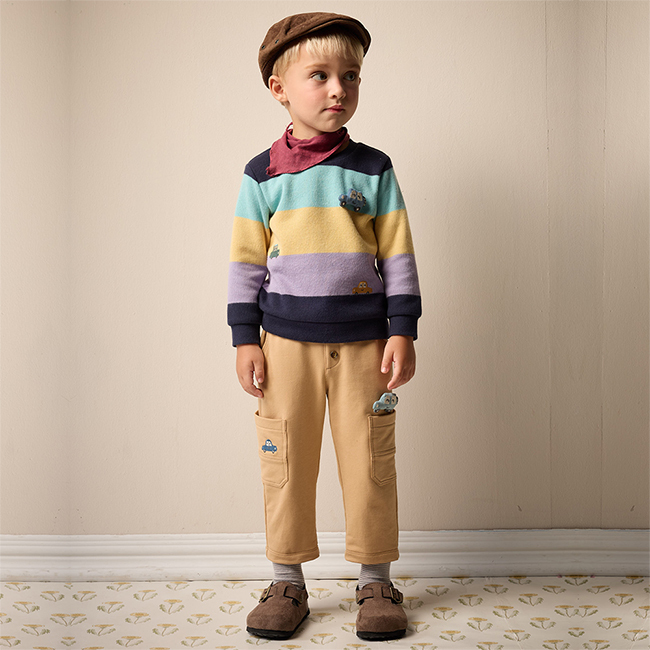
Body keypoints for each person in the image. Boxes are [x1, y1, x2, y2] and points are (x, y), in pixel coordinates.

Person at [227, 12, 421, 642]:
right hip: (284, 346)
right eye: (320, 75)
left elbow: (397, 254)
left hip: (366, 345)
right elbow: (246, 264)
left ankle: (376, 582)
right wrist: (244, 339)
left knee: (370, 461)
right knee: (284, 462)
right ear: (279, 88)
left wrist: (402, 328)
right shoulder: (262, 175)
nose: (339, 88)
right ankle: (287, 581)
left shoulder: (374, 169)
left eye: (351, 76)